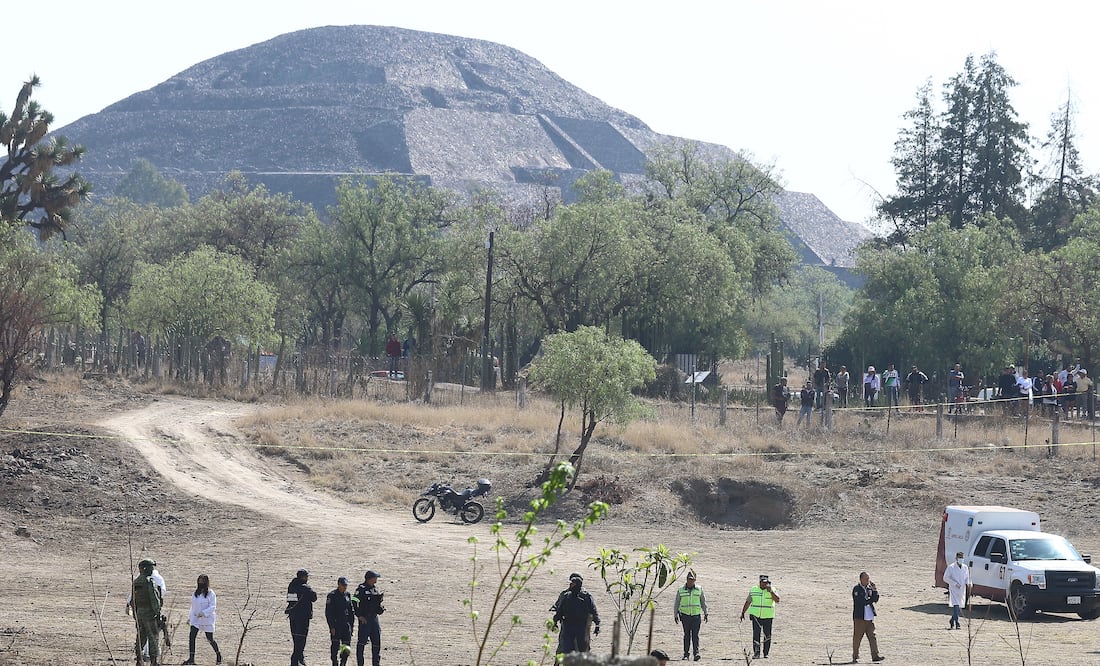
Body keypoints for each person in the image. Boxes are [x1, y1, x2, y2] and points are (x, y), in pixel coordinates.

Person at [550, 572, 600, 656]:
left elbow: (593, 611)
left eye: (573, 583)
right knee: (564, 650)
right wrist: (555, 621)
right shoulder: (566, 595)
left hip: (581, 628)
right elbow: (560, 610)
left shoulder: (586, 596)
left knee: (582, 651)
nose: (571, 584)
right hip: (568, 627)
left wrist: (597, 624)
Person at [127, 558, 167, 662]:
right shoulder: (149, 582)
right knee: (153, 637)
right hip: (149, 614)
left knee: (140, 637)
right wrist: (157, 612)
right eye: (150, 567)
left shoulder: (136, 582)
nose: (152, 569)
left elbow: (132, 600)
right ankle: (154, 661)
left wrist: (136, 613)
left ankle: (139, 660)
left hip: (139, 613)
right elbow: (154, 600)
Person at [182, 574, 222, 665]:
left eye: (203, 580)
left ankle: (218, 655)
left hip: (207, 619)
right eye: (199, 580)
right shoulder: (195, 594)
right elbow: (193, 607)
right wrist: (190, 618)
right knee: (192, 637)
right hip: (196, 619)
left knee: (210, 639)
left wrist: (204, 613)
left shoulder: (211, 593)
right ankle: (191, 658)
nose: (201, 582)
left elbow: (213, 606)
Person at [740, 574, 780, 659]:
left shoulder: (772, 589)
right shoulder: (754, 589)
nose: (764, 584)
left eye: (765, 582)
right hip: (756, 616)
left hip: (768, 616)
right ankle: (756, 653)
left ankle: (766, 653)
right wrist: (743, 612)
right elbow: (748, 601)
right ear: (759, 582)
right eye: (762, 582)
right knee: (756, 635)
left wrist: (771, 592)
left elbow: (777, 600)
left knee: (767, 635)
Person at [673, 570, 708, 661]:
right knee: (687, 635)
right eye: (689, 579)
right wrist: (675, 614)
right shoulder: (681, 590)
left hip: (696, 615)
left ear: (695, 580)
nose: (690, 581)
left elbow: (703, 602)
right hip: (685, 616)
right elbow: (677, 602)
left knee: (695, 635)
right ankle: (686, 654)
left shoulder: (699, 589)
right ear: (686, 579)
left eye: (692, 580)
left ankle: (696, 653)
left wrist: (706, 613)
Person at [286, 568, 318, 666]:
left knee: (296, 639)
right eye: (307, 576)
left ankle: (299, 659)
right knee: (301, 640)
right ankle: (295, 661)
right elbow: (314, 598)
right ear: (303, 577)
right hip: (303, 618)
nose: (307, 578)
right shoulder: (306, 588)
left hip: (293, 617)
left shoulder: (291, 586)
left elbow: (290, 600)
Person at [353, 570, 384, 666]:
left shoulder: (374, 589)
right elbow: (354, 601)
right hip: (365, 620)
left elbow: (376, 604)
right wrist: (359, 616)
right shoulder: (361, 589)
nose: (376, 579)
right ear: (370, 578)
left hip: (374, 620)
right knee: (362, 643)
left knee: (376, 643)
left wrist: (380, 609)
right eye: (375, 577)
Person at [852, 571, 885, 663]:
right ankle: (855, 656)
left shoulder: (869, 588)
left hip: (869, 617)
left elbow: (876, 599)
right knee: (857, 637)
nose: (868, 580)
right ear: (861, 579)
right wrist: (870, 600)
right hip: (860, 618)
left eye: (868, 578)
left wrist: (875, 590)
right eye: (866, 579)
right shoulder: (857, 589)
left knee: (872, 637)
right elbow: (861, 601)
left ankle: (875, 655)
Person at [327, 576, 355, 666]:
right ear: (339, 584)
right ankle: (334, 662)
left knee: (346, 646)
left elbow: (351, 611)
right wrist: (331, 626)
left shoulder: (347, 595)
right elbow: (328, 613)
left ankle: (343, 662)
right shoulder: (332, 595)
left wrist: (351, 626)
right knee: (335, 645)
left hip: (346, 625)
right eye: (343, 585)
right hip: (336, 624)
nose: (345, 587)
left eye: (346, 585)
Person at [943, 552, 971, 630]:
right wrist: (954, 584)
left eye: (962, 558)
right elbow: (945, 578)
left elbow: (967, 577)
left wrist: (969, 583)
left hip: (962, 589)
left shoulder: (965, 567)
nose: (961, 559)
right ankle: (957, 623)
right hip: (954, 589)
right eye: (959, 558)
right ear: (956, 558)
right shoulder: (951, 567)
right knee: (956, 605)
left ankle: (952, 620)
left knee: (959, 606)